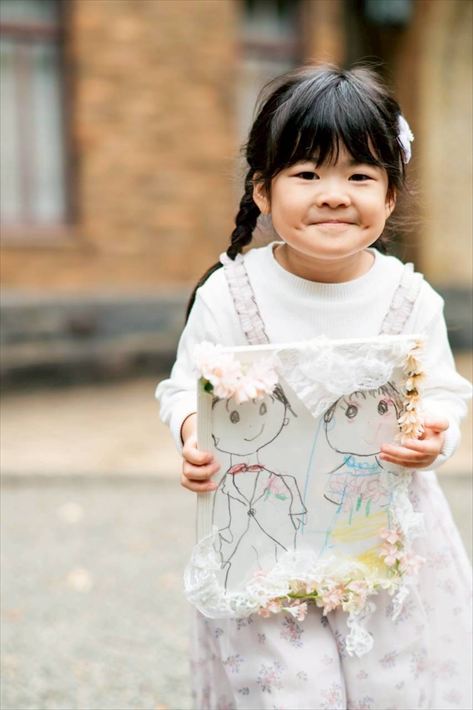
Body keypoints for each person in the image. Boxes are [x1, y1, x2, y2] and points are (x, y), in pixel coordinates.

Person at [156, 65, 472, 710]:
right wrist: (193, 433)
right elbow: (184, 388)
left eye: (359, 175)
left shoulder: (410, 297)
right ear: (262, 191)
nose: (333, 195)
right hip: (263, 533)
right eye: (306, 174)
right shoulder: (230, 294)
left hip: (383, 538)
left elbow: (444, 391)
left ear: (391, 195)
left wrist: (433, 435)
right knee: (288, 690)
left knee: (391, 685)